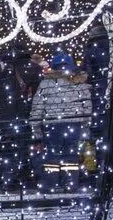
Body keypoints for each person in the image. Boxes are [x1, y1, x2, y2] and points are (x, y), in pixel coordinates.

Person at [29, 51, 93, 192]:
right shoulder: (79, 82)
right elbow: (87, 106)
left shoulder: (46, 84)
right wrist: (86, 125)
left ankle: (50, 185)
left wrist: (36, 129)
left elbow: (37, 107)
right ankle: (70, 184)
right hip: (74, 123)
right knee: (70, 156)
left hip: (52, 124)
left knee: (52, 156)